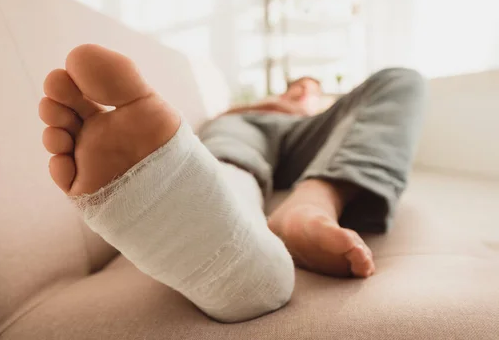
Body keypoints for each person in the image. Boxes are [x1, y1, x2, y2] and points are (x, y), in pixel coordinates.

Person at [39, 44, 426, 324]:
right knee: (229, 138)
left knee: (401, 79)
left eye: (310, 89)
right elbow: (224, 118)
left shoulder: (327, 113)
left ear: (320, 97)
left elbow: (365, 121)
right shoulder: (253, 105)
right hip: (249, 127)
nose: (301, 92)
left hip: (311, 139)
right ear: (284, 87)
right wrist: (260, 107)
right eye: (296, 87)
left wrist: (309, 111)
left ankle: (310, 205)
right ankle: (206, 195)